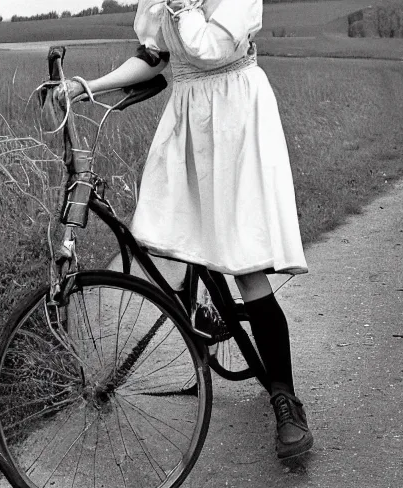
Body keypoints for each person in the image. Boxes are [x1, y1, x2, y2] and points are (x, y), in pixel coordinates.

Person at [62, 0, 313, 460]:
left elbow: (211, 49)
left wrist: (181, 6)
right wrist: (88, 86)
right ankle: (204, 310)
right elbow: (153, 57)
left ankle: (286, 401)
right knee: (174, 230)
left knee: (245, 262)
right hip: (190, 119)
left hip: (237, 116)